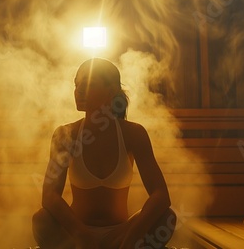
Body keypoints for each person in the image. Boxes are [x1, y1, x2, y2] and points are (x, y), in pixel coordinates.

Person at [32, 58, 176, 249]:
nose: (79, 90)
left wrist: (130, 238)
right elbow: (49, 196)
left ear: (111, 91)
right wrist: (82, 235)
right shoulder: (66, 135)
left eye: (89, 84)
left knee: (167, 218)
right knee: (41, 220)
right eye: (77, 84)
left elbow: (160, 195)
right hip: (76, 235)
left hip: (120, 235)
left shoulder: (133, 134)